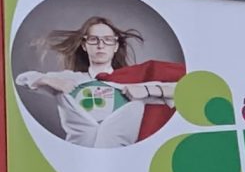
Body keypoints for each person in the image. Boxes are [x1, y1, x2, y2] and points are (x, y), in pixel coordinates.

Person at [18, 13, 184, 148]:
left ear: (116, 46)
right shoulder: (70, 78)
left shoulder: (134, 82)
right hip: (72, 165)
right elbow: (23, 79)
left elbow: (186, 92)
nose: (100, 45)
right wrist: (47, 80)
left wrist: (147, 90)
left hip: (122, 166)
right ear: (84, 45)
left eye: (108, 40)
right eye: (93, 39)